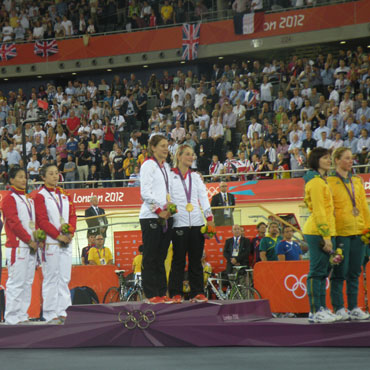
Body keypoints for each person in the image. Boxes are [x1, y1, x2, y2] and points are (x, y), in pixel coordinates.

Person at [327, 148, 370, 320]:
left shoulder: (357, 181)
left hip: (358, 232)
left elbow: (363, 206)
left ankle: (353, 307)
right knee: (339, 272)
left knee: (354, 272)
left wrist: (368, 227)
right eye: (346, 158)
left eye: (351, 158)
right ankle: (339, 308)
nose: (351, 161)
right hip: (340, 232)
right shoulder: (329, 181)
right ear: (336, 160)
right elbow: (328, 208)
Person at [168, 144, 214, 303]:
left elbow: (204, 198)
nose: (191, 157)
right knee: (178, 260)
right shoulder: (170, 176)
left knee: (196, 260)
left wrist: (210, 219)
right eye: (187, 154)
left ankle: (198, 293)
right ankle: (175, 293)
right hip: (179, 223)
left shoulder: (195, 177)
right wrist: (173, 212)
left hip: (196, 223)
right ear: (179, 156)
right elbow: (168, 198)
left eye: (192, 154)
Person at [35, 163, 77, 324]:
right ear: (43, 177)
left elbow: (73, 215)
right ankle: (50, 313)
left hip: (66, 241)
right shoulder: (40, 195)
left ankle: (64, 311)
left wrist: (70, 232)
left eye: (56, 173)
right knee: (51, 277)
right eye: (50, 174)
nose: (54, 176)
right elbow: (42, 220)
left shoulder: (65, 194)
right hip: (51, 242)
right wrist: (58, 236)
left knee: (64, 277)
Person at [303, 147, 337, 323]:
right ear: (316, 160)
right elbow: (319, 210)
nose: (329, 160)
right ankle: (315, 311)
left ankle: (321, 308)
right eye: (325, 158)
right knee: (316, 272)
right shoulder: (315, 183)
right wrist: (326, 236)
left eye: (329, 157)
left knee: (323, 272)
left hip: (324, 231)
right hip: (316, 231)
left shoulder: (322, 181)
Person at [139, 135, 173, 304]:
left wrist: (170, 207)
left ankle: (161, 292)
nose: (166, 149)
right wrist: (159, 210)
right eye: (162, 146)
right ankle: (151, 294)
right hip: (151, 216)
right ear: (153, 147)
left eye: (167, 146)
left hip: (165, 216)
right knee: (150, 256)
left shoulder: (166, 166)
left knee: (161, 256)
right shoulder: (148, 165)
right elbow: (145, 192)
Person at [2, 167, 38, 325]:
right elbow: (14, 223)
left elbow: (33, 224)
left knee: (27, 282)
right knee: (16, 282)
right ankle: (11, 317)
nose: (24, 180)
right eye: (20, 177)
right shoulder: (9, 199)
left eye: (25, 177)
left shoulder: (29, 199)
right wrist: (28, 240)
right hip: (18, 246)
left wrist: (37, 239)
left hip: (31, 246)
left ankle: (22, 314)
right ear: (11, 180)